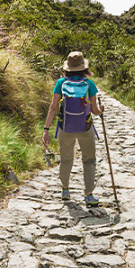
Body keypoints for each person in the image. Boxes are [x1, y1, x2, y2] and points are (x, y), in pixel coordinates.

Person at [42, 51, 105, 205]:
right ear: (83, 67)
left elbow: (53, 107)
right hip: (85, 128)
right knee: (89, 160)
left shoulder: (61, 83)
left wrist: (46, 129)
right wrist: (101, 109)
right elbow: (95, 111)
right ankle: (89, 195)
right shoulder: (89, 84)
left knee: (66, 160)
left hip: (65, 128)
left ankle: (65, 190)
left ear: (68, 68)